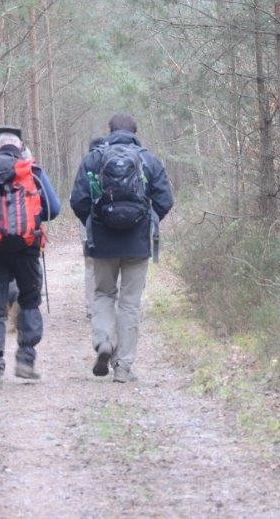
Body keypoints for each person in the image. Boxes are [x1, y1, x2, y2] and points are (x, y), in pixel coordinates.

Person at [70, 113, 174, 383]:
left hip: (103, 243)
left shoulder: (94, 158)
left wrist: (94, 222)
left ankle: (104, 341)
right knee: (129, 304)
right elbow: (165, 199)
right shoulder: (148, 159)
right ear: (135, 132)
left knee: (104, 294)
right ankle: (123, 368)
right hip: (137, 244)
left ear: (109, 130)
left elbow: (78, 199)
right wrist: (147, 220)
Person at [0, 126, 60, 387]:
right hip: (27, 248)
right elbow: (55, 209)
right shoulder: (33, 170)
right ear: (20, 145)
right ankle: (26, 361)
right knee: (29, 302)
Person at [81, 137, 104, 319]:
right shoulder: (112, 164)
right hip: (112, 228)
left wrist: (86, 220)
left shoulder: (86, 165)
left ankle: (91, 308)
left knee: (90, 267)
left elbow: (77, 199)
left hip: (89, 229)